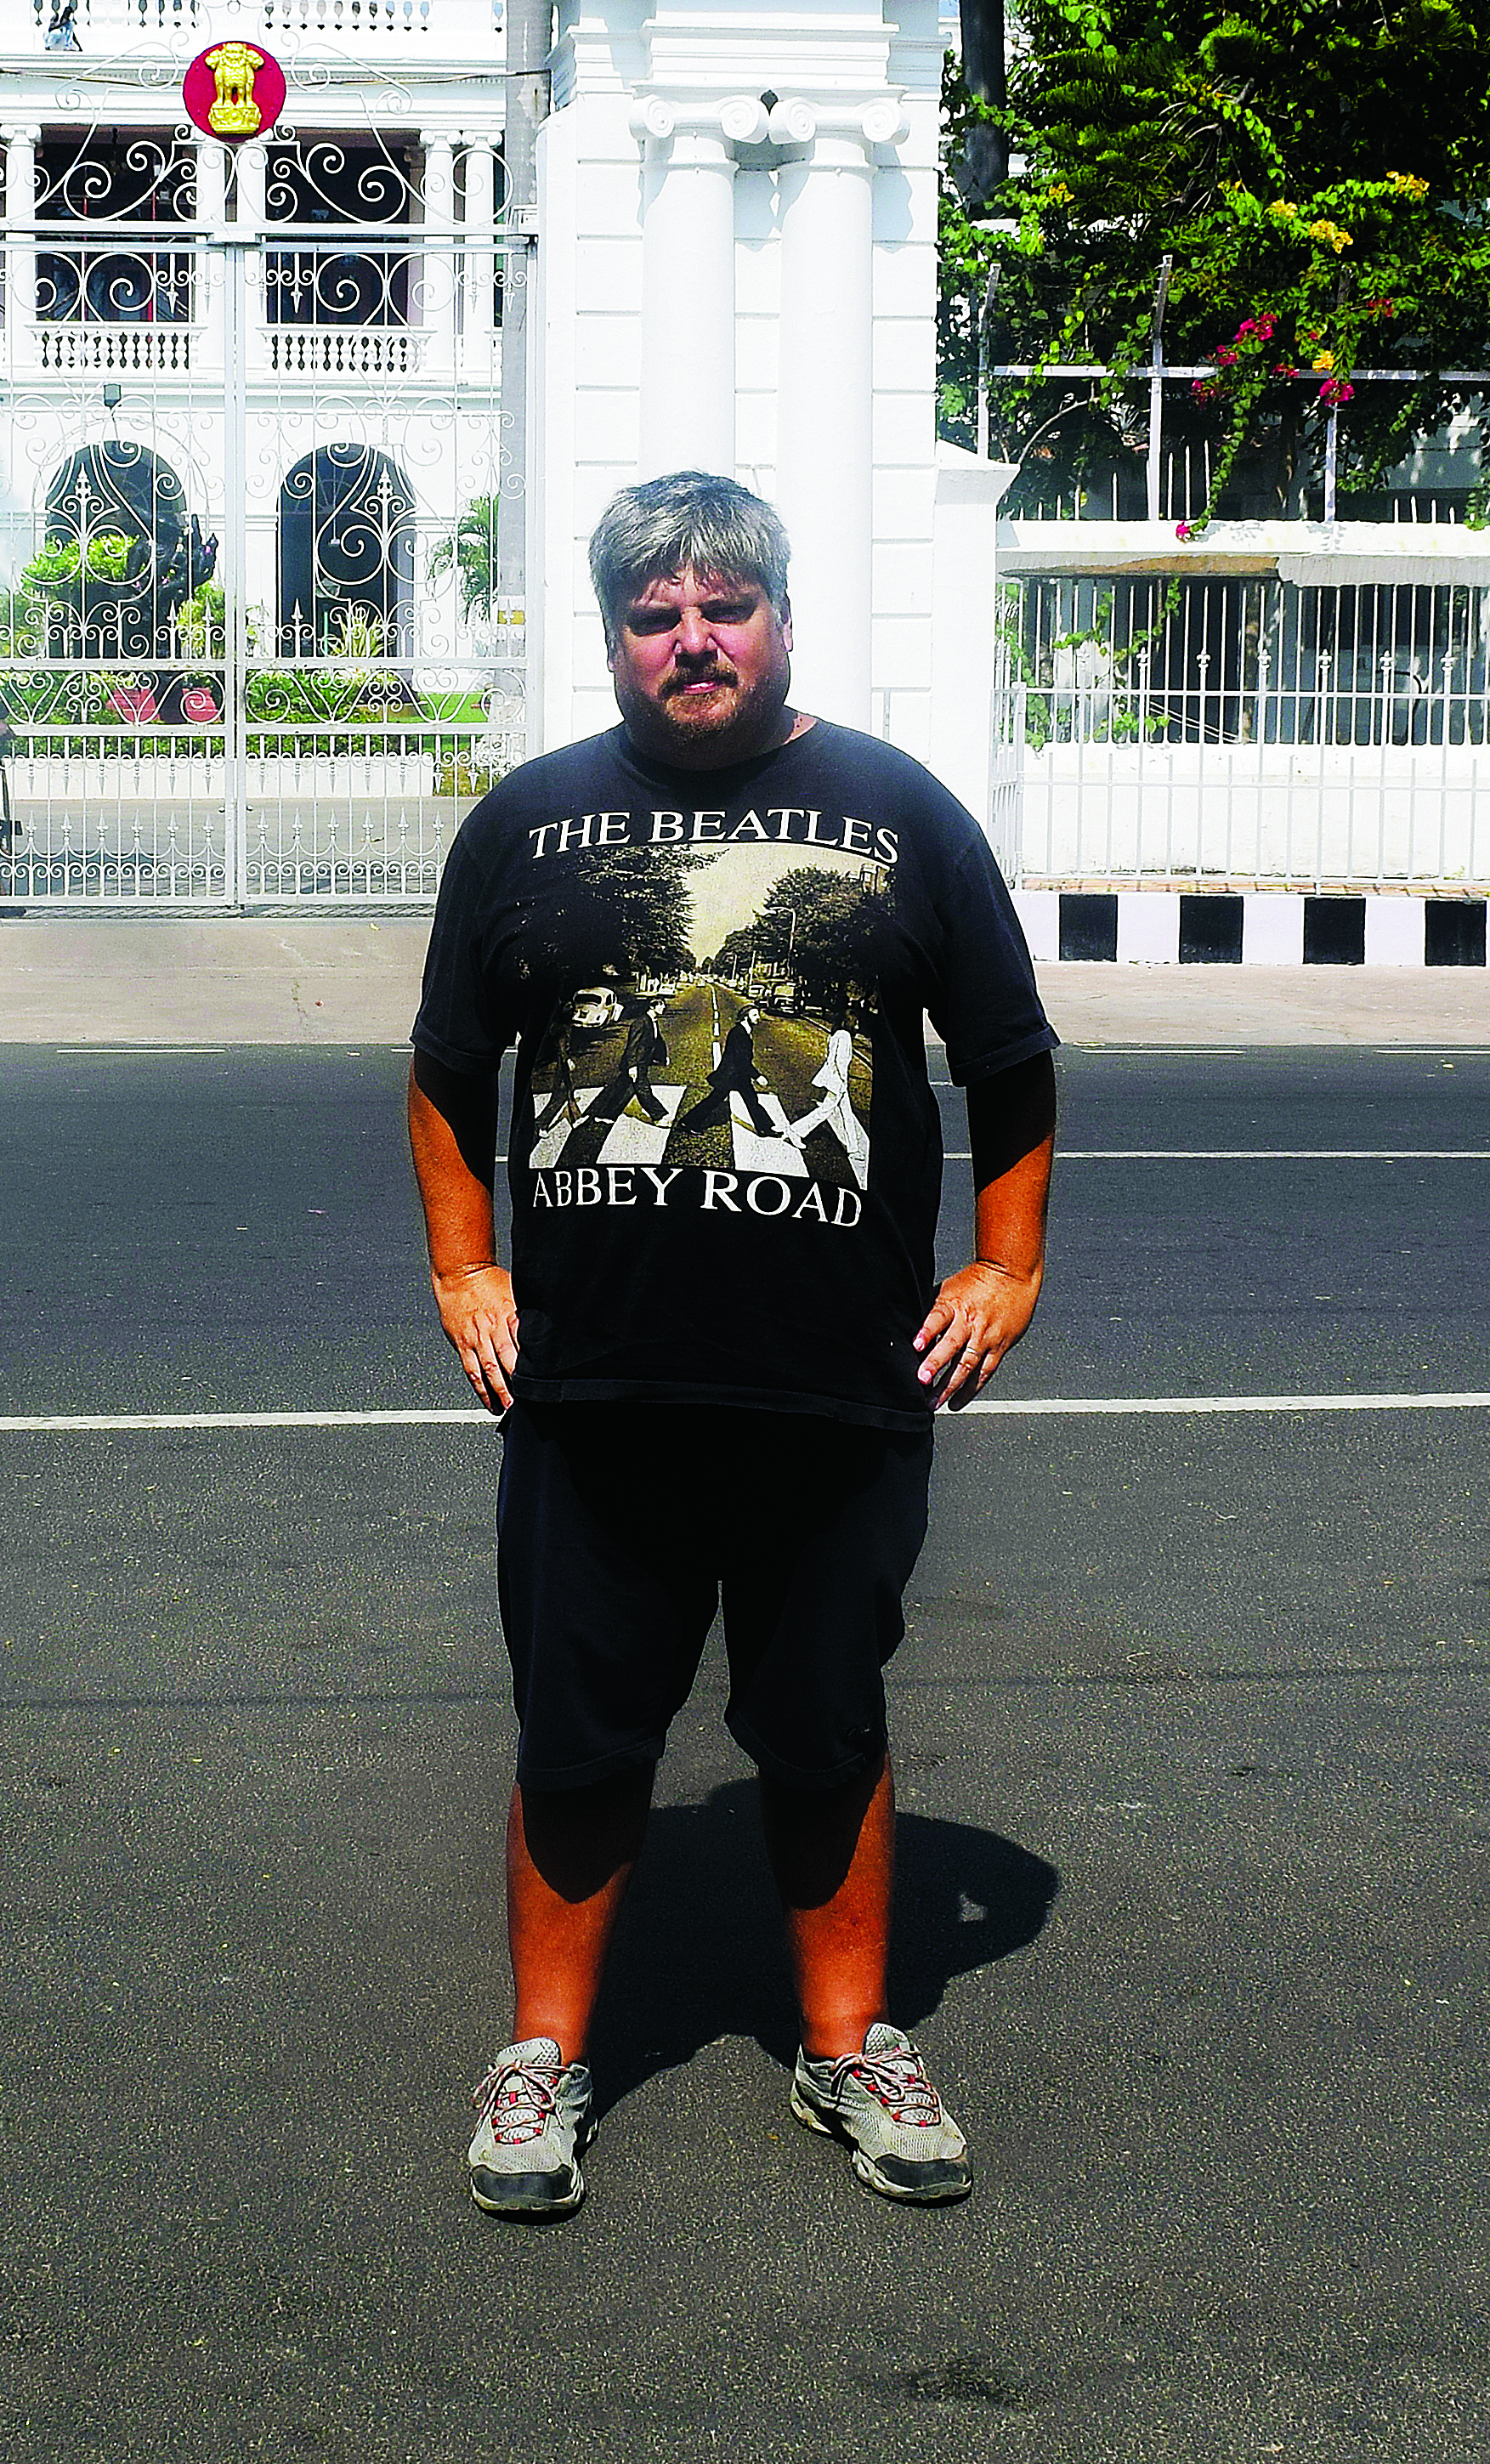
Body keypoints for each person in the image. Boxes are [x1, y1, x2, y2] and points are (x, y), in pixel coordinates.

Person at [405, 470, 1058, 2220]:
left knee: (824, 1720)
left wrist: (1010, 1263)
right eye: (653, 613)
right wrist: (467, 1270)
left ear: (777, 616)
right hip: (592, 1380)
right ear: (616, 635)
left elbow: (1010, 1056)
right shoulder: (526, 824)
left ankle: (848, 2044)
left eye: (723, 607)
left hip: (839, 1382)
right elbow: (448, 1069)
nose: (692, 639)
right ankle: (544, 2055)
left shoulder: (898, 809)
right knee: (578, 1727)